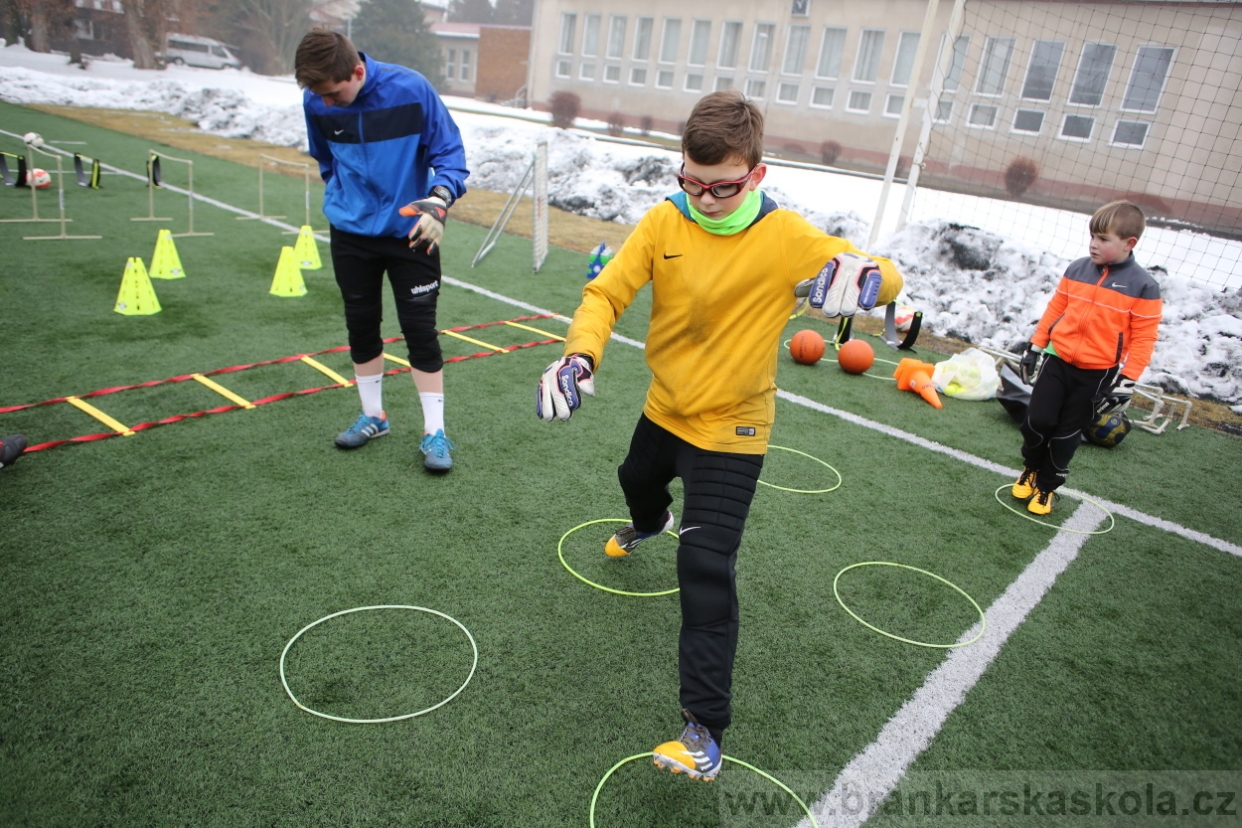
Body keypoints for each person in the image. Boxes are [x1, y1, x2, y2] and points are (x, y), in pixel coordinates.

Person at [535, 91, 904, 781]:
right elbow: (605, 293)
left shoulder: (788, 235)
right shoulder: (663, 220)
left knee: (705, 572)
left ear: (757, 174)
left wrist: (867, 277)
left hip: (734, 429)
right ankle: (651, 519)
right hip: (664, 408)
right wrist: (579, 355)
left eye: (722, 187)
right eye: (691, 183)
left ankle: (703, 731)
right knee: (633, 482)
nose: (704, 199)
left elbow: (880, 275)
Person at [295, 29, 469, 472]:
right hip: (350, 234)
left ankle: (435, 432)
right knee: (360, 323)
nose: (327, 103)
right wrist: (347, 198)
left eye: (334, 93)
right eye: (320, 96)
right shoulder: (317, 101)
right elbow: (326, 159)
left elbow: (450, 154)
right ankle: (374, 416)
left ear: (357, 70)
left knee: (419, 330)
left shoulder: (411, 90)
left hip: (412, 231)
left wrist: (439, 201)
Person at [1012, 200, 1162, 514]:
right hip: (1058, 360)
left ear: (1129, 243)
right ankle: (1031, 468)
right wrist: (1036, 346)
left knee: (1067, 433)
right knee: (1037, 421)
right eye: (1092, 236)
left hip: (1097, 374)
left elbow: (1145, 337)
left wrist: (1128, 379)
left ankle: (1047, 487)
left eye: (1104, 239)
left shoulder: (1144, 287)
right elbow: (1056, 309)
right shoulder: (1077, 269)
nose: (1094, 244)